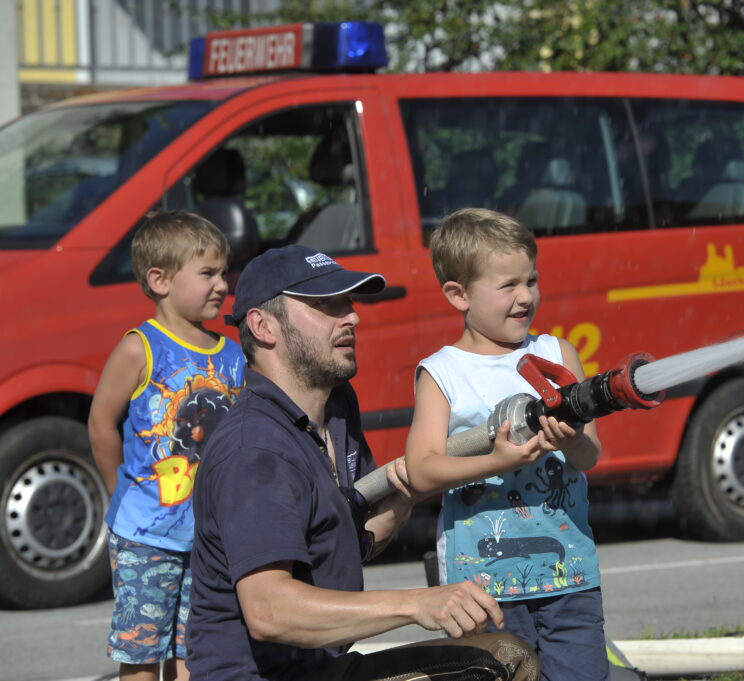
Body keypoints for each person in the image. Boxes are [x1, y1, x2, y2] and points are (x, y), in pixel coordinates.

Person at [186, 244, 539, 681]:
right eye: (325, 306)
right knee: (494, 664)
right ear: (263, 326)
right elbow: (269, 610)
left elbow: (341, 544)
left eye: (348, 302)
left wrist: (403, 503)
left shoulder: (335, 407)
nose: (351, 316)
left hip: (322, 667)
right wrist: (417, 603)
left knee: (504, 655)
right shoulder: (254, 450)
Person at [404, 208, 609, 681]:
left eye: (531, 281)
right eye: (508, 286)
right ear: (458, 294)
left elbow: (590, 456)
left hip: (570, 575)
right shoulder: (443, 373)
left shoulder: (558, 354)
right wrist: (495, 460)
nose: (525, 297)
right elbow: (421, 469)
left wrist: (573, 439)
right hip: (482, 587)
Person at [88, 210, 246, 681]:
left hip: (209, 536)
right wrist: (121, 491)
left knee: (191, 651)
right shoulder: (141, 347)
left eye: (223, 272)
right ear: (159, 280)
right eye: (207, 273)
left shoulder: (233, 354)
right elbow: (100, 424)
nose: (221, 283)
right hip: (144, 534)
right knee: (140, 653)